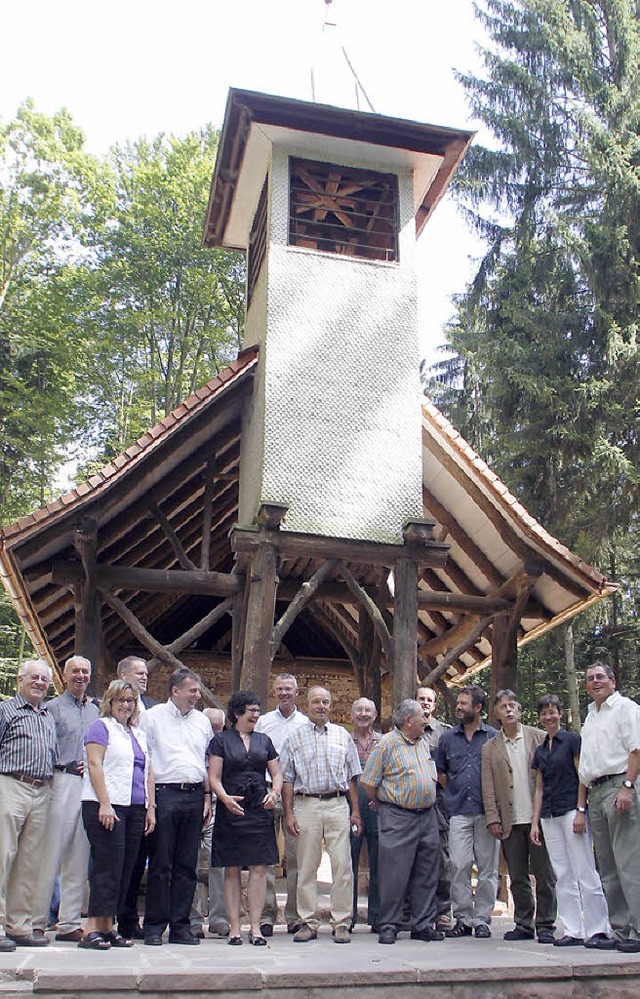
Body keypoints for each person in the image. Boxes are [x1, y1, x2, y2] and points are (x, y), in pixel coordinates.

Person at [280, 685, 362, 943]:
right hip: (307, 805)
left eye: (325, 702)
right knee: (306, 866)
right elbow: (287, 780)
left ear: (331, 705)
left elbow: (351, 778)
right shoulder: (294, 738)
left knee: (343, 865)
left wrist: (356, 811)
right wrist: (289, 813)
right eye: (316, 702)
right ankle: (308, 921)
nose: (321, 706)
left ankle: (341, 922)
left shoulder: (342, 735)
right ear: (307, 705)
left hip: (338, 804)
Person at [530, 693, 611, 949]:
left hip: (570, 811)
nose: (549, 716)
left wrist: (580, 810)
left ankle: (598, 928)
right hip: (549, 816)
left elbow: (582, 777)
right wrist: (535, 823)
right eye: (544, 713)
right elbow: (539, 788)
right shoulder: (541, 750)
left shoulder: (573, 740)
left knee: (585, 868)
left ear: (560, 714)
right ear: (540, 717)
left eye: (553, 711)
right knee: (562, 873)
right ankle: (573, 929)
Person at [80, 679, 156, 950]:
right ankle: (91, 929)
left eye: (130, 700)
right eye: (120, 700)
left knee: (126, 868)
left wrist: (151, 808)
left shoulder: (138, 734)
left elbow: (148, 772)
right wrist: (104, 803)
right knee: (106, 868)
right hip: (106, 807)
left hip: (135, 808)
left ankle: (108, 927)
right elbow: (94, 764)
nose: (126, 705)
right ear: (110, 702)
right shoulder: (101, 728)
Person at [361, 699, 442, 946]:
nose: (426, 722)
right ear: (409, 721)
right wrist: (383, 804)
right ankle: (389, 925)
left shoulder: (423, 742)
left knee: (427, 872)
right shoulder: (386, 744)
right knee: (394, 874)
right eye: (422, 718)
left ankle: (423, 924)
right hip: (398, 816)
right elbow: (368, 782)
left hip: (427, 815)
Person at [142, 667, 212, 946]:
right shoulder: (152, 718)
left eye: (198, 690)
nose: (197, 695)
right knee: (161, 864)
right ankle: (154, 927)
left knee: (187, 865)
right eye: (192, 690)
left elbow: (206, 761)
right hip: (165, 794)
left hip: (195, 795)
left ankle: (180, 926)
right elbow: (146, 759)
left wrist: (207, 797)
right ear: (175, 691)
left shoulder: (202, 722)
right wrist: (151, 803)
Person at [482, 689, 557, 943]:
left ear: (520, 710)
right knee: (517, 876)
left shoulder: (539, 737)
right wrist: (493, 817)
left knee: (544, 873)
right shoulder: (490, 748)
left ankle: (546, 923)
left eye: (513, 705)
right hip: (510, 821)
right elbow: (488, 786)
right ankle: (524, 923)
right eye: (503, 707)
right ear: (496, 714)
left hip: (539, 819)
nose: (509, 710)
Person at [34, 655, 99, 943]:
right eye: (75, 671)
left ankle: (69, 922)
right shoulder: (51, 709)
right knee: (52, 854)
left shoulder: (97, 711)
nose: (81, 676)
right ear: (64, 675)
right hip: (60, 781)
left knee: (79, 857)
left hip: (88, 786)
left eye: (85, 671)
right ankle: (36, 920)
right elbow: (45, 748)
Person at [209, 690, 282, 946]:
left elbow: (277, 773)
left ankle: (256, 927)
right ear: (237, 712)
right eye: (251, 710)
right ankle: (235, 928)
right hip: (232, 809)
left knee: (259, 868)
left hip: (259, 809)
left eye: (258, 710)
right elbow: (214, 777)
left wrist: (274, 792)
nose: (256, 715)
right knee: (231, 868)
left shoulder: (265, 740)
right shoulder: (221, 741)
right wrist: (224, 798)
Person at [578, 661, 640, 953]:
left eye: (600, 677)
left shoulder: (626, 708)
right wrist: (583, 805)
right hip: (596, 792)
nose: (595, 682)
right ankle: (621, 929)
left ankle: (638, 931)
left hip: (619, 786)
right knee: (609, 867)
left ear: (613, 681)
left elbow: (636, 749)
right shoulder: (590, 716)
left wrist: (628, 786)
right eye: (590, 679)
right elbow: (586, 765)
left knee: (629, 863)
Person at [0, 659, 56, 951]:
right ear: (20, 680)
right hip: (11, 783)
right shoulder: (6, 710)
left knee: (29, 862)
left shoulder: (47, 715)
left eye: (44, 680)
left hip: (41, 789)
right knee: (2, 854)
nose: (39, 683)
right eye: (34, 677)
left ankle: (18, 925)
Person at [435, 685, 499, 939]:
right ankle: (462, 917)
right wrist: (452, 791)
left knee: (487, 868)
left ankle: (482, 919)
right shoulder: (448, 738)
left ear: (478, 708)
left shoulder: (494, 737)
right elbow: (440, 771)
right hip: (459, 811)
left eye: (464, 703)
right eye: (458, 703)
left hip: (487, 812)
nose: (458, 707)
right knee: (458, 865)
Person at [255, 672, 307, 936]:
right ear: (274, 692)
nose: (284, 693)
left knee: (297, 858)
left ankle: (295, 915)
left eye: (289, 688)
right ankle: (266, 914)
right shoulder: (263, 722)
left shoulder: (306, 724)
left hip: (297, 795)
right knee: (266, 857)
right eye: (280, 689)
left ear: (297, 692)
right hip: (267, 793)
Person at [115, 655, 157, 939]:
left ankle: (129, 920)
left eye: (145, 673)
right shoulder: (107, 711)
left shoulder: (153, 710)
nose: (144, 677)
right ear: (123, 675)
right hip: (115, 795)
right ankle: (106, 919)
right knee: (112, 861)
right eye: (138, 672)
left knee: (136, 859)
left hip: (142, 796)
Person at [191, 707, 229, 938]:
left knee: (220, 865)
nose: (213, 731)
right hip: (193, 803)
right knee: (190, 863)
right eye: (210, 727)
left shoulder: (225, 745)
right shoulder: (194, 742)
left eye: (218, 727)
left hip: (219, 806)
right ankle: (193, 918)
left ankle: (219, 918)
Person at [416, 685, 452, 931]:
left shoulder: (445, 734)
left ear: (435, 705)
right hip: (411, 801)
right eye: (421, 699)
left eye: (429, 700)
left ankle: (442, 911)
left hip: (439, 803)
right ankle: (413, 911)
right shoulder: (404, 730)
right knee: (411, 856)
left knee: (441, 857)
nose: (425, 703)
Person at [349, 697, 380, 932]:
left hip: (377, 806)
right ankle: (347, 917)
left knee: (379, 861)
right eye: (358, 710)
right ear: (351, 715)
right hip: (350, 806)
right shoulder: (344, 741)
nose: (363, 713)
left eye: (367, 710)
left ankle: (377, 917)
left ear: (375, 714)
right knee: (347, 861)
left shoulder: (383, 742)